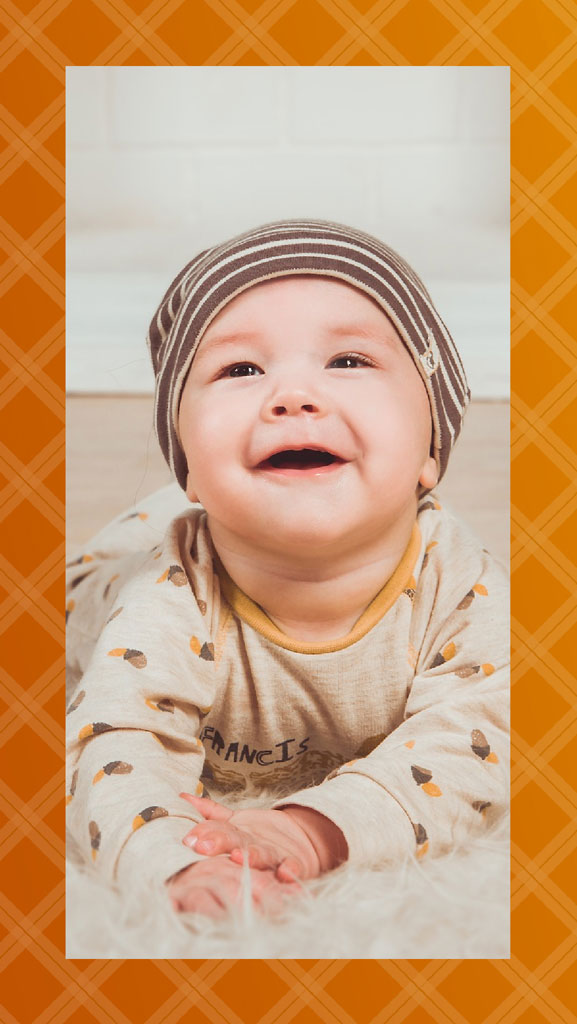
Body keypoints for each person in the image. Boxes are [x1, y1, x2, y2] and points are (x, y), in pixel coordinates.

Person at [66, 219, 508, 918]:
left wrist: (311, 826)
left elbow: (476, 744)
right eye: (240, 370)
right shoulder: (167, 595)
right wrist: (172, 863)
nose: (293, 396)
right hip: (105, 585)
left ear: (431, 447)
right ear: (189, 468)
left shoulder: (464, 587)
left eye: (348, 362)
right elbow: (115, 747)